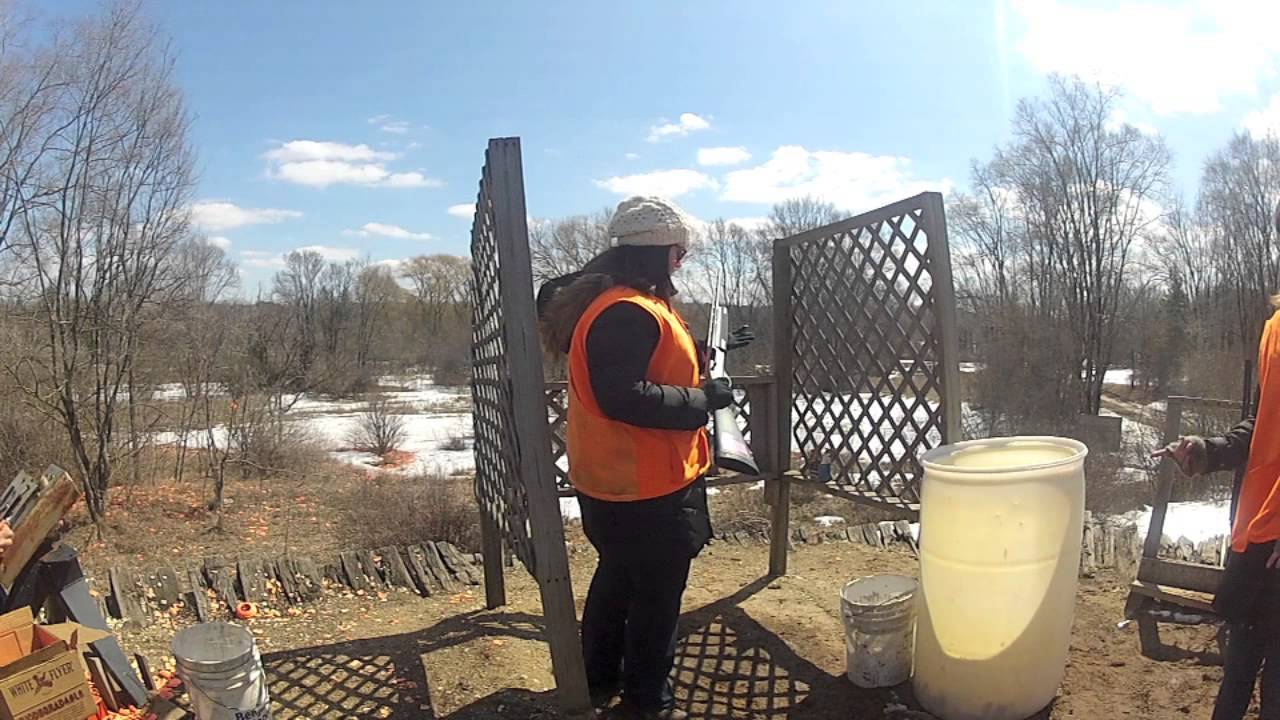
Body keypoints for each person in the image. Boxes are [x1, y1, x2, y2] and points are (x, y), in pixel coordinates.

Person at [537, 196, 750, 720]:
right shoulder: (627, 310)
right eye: (678, 253)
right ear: (657, 251)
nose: (681, 263)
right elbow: (625, 395)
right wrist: (706, 401)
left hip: (619, 480)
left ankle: (598, 679)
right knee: (655, 601)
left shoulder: (625, 304)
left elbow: (651, 363)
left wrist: (706, 352)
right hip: (647, 484)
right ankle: (646, 702)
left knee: (618, 580)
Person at [1154, 208, 1280, 720]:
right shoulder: (1275, 329)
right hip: (1260, 529)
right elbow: (1265, 427)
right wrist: (1208, 451)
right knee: (1240, 663)